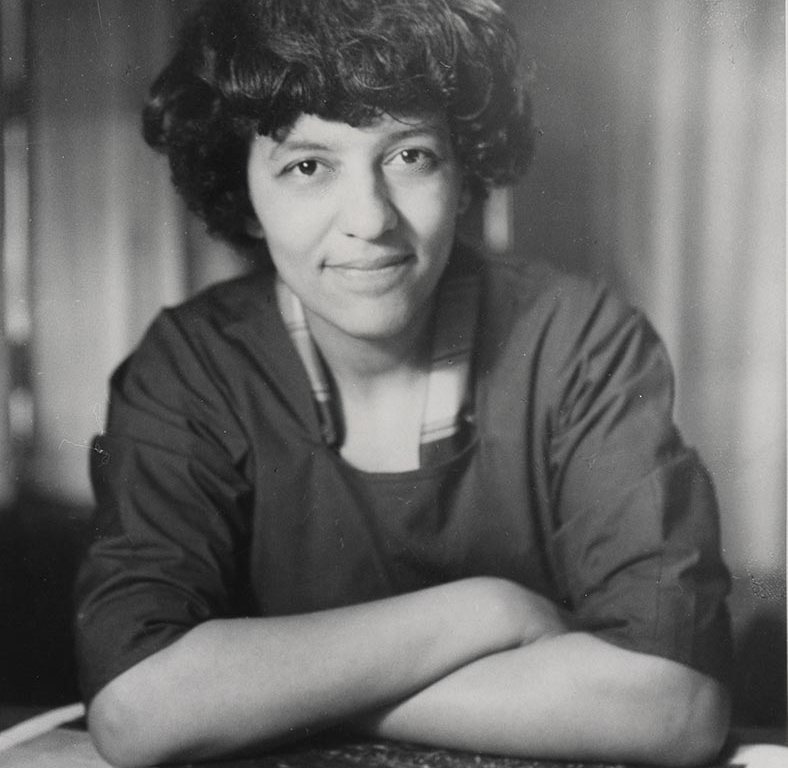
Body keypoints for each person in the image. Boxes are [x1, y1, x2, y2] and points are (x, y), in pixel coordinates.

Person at [74, 1, 733, 766]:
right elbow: (135, 707)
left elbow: (676, 705)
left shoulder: (580, 343)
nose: (369, 219)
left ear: (464, 175)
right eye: (307, 166)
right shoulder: (190, 365)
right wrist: (484, 613)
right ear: (243, 192)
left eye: (410, 156)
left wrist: (276, 700)